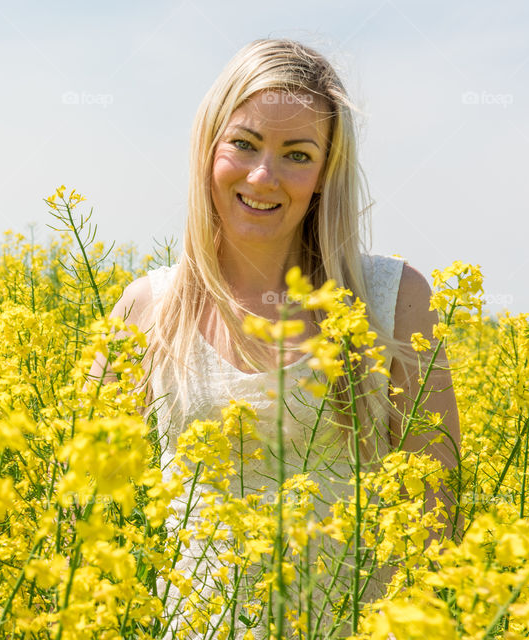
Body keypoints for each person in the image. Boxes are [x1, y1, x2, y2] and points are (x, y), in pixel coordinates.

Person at [93, 38, 461, 638]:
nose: (263, 176)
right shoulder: (148, 309)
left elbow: (436, 516)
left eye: (297, 153)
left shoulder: (396, 300)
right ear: (208, 147)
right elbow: (88, 512)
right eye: (243, 143)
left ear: (324, 175)